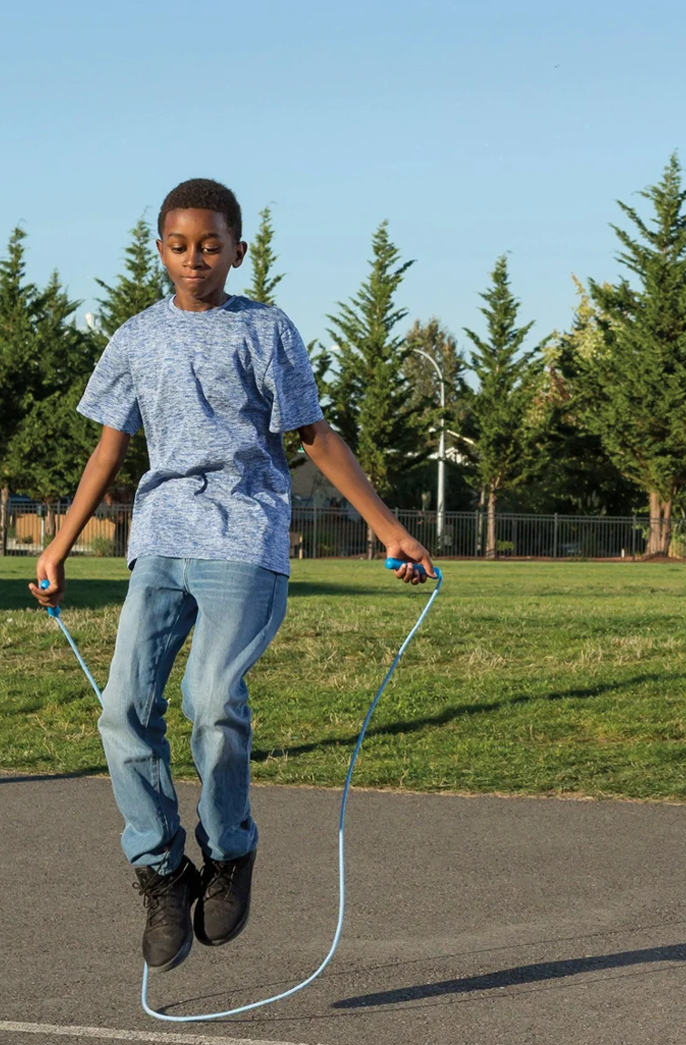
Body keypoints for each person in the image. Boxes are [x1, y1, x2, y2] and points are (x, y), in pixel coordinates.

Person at [29, 178, 434, 973]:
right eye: (179, 246)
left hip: (244, 538)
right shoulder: (136, 338)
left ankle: (231, 852)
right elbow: (109, 448)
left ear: (238, 251)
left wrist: (391, 529)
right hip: (160, 541)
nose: (194, 261)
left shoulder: (265, 329)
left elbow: (313, 435)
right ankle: (161, 870)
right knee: (122, 712)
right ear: (160, 249)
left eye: (211, 246)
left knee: (210, 701)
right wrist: (58, 546)